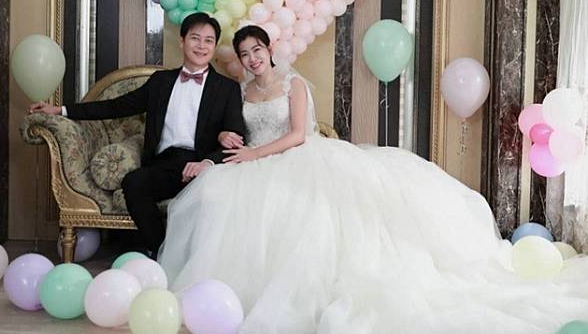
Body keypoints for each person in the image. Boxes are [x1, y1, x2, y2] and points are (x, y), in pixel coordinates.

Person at [159, 25, 588, 334]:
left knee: (314, 215)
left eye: (257, 49)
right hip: (255, 162)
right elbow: (236, 128)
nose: (252, 58)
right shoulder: (241, 91)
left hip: (299, 156)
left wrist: (254, 153)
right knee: (222, 198)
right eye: (245, 53)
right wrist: (228, 138)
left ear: (269, 49)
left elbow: (297, 135)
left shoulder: (293, 85)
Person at [28, 12, 246, 256]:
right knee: (134, 183)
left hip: (202, 165)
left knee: (211, 195)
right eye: (195, 38)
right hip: (164, 165)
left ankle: (193, 256)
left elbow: (237, 137)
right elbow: (116, 106)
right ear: (182, 41)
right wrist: (62, 110)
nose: (201, 45)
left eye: (208, 40)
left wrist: (207, 163)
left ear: (214, 47)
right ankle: (164, 252)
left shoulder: (227, 88)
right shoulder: (161, 81)